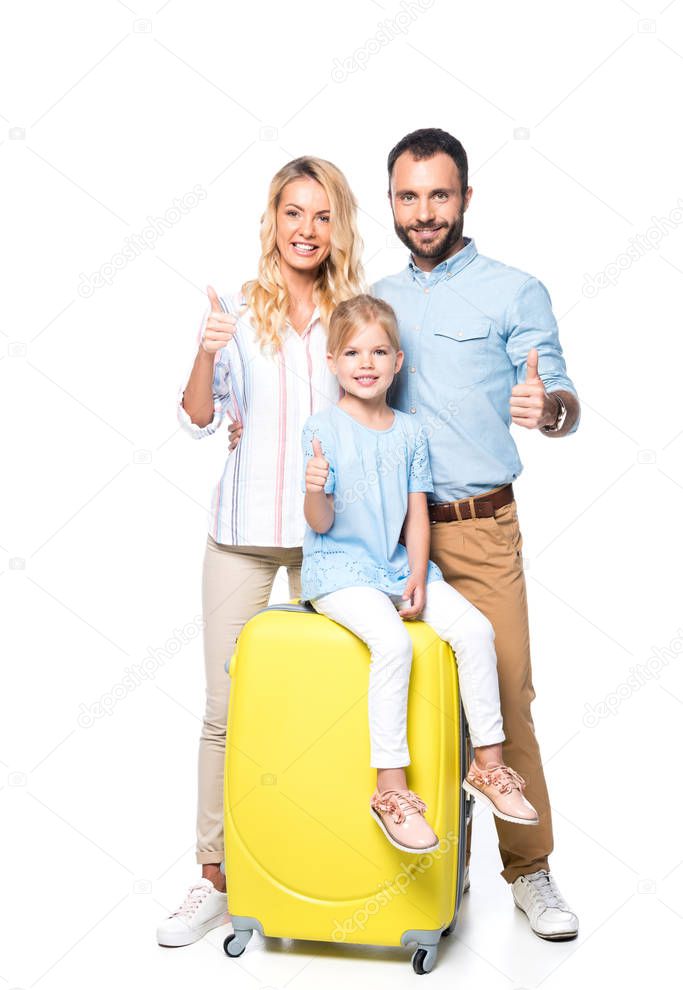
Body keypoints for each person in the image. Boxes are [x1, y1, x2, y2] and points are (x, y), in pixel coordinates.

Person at [371, 127, 581, 939]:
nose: (424, 212)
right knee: (398, 694)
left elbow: (555, 388)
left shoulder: (513, 290)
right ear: (391, 200)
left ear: (464, 197)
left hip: (479, 528)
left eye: (439, 194)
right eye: (408, 196)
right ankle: (409, 868)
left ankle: (530, 871)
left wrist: (548, 410)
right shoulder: (376, 294)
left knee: (508, 698)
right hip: (388, 535)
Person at [157, 157, 364, 947]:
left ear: (336, 226)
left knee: (326, 710)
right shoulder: (239, 309)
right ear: (272, 219)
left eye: (320, 215)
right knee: (225, 708)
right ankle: (214, 876)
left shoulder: (356, 313)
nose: (305, 229)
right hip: (241, 535)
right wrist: (209, 350)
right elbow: (201, 421)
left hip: (329, 541)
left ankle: (321, 861)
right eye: (292, 212)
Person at [301, 294, 539, 855]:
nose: (367, 362)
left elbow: (416, 513)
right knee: (392, 644)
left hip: (394, 567)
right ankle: (390, 790)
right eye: (354, 352)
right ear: (333, 361)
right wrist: (315, 488)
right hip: (338, 572)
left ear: (398, 362)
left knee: (477, 631)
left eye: (379, 351)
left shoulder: (409, 432)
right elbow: (319, 522)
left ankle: (489, 765)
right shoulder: (324, 428)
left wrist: (417, 576)